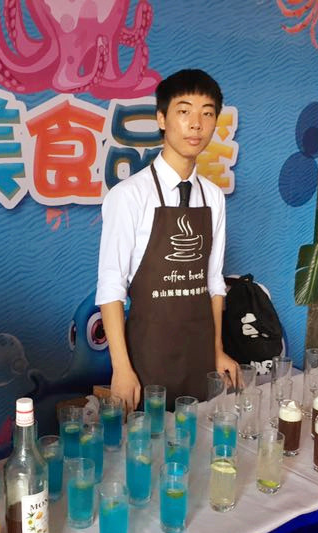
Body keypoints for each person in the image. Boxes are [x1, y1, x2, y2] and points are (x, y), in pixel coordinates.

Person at [96, 68, 239, 413]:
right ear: (162, 118)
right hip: (148, 357)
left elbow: (213, 282)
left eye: (207, 114)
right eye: (184, 111)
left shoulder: (213, 197)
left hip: (200, 357)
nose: (196, 124)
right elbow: (111, 286)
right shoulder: (129, 195)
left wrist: (217, 350)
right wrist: (121, 368)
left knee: (199, 438)